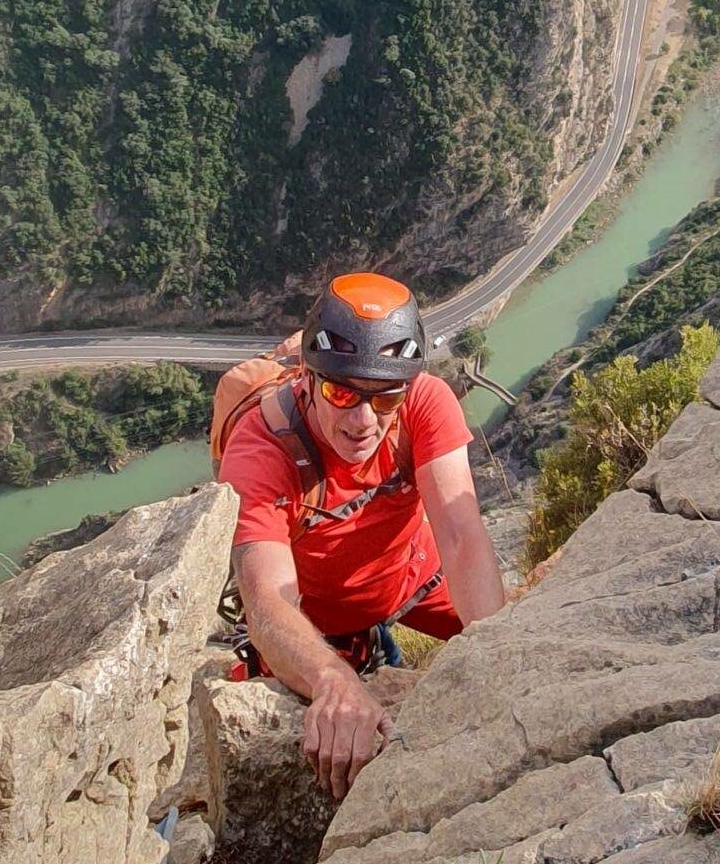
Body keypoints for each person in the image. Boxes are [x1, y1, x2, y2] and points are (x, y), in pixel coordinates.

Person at [218, 272, 508, 798]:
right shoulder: (262, 451)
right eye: (341, 392)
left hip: (413, 579)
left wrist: (502, 653)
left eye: (386, 398)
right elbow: (267, 602)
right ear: (307, 379)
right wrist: (332, 681)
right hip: (321, 622)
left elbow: (461, 533)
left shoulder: (424, 401)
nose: (364, 421)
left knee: (509, 641)